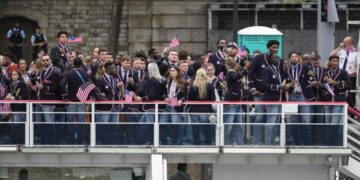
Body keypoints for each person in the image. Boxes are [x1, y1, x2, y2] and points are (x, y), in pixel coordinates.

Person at [248, 40, 280, 145]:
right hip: (259, 93)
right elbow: (250, 73)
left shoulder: (278, 60)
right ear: (268, 47)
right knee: (260, 116)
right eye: (273, 47)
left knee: (272, 118)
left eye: (276, 48)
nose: (275, 49)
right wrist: (252, 89)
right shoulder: (259, 58)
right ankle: (257, 141)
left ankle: (270, 141)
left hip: (272, 94)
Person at [60, 57, 95, 144]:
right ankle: (80, 140)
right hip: (82, 101)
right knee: (81, 122)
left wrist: (65, 96)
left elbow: (62, 84)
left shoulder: (69, 73)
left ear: (73, 64)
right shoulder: (86, 74)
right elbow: (91, 87)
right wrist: (87, 97)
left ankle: (71, 140)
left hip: (71, 101)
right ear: (81, 63)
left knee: (70, 121)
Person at [285, 51, 315, 146]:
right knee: (294, 120)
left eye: (295, 56)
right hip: (292, 96)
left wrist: (312, 76)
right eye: (292, 57)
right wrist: (289, 85)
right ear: (290, 58)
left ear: (298, 58)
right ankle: (296, 142)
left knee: (305, 120)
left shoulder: (305, 67)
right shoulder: (287, 69)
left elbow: (311, 78)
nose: (294, 58)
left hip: (303, 96)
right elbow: (285, 83)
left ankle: (307, 143)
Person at [134, 63, 166, 145]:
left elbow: (152, 95)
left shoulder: (151, 79)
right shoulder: (162, 79)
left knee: (150, 125)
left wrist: (142, 98)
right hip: (159, 106)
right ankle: (141, 140)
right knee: (142, 123)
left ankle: (153, 141)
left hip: (151, 106)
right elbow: (163, 94)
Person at [34, 55, 62, 144]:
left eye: (47, 60)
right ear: (41, 61)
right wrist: (33, 86)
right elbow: (37, 84)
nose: (45, 61)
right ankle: (43, 139)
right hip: (39, 100)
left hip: (49, 100)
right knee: (40, 121)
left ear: (50, 61)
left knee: (49, 121)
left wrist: (43, 87)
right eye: (43, 60)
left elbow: (56, 88)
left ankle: (52, 141)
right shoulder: (40, 71)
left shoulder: (54, 72)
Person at [323, 55, 350, 146]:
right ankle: (329, 143)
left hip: (338, 100)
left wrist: (336, 83)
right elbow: (323, 86)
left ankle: (334, 144)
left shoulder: (343, 72)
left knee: (334, 123)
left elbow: (348, 86)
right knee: (328, 123)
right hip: (328, 101)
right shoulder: (325, 72)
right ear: (330, 62)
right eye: (333, 61)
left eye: (337, 61)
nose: (335, 63)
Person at [187, 69, 216, 145]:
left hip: (194, 110)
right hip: (206, 110)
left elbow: (189, 99)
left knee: (195, 129)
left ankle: (197, 145)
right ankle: (208, 144)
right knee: (206, 129)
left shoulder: (192, 86)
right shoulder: (210, 85)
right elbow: (213, 99)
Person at [159, 66, 186, 145]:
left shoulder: (182, 82)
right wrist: (165, 97)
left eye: (174, 70)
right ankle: (167, 139)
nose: (172, 72)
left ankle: (177, 140)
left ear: (177, 72)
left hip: (175, 104)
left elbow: (185, 94)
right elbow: (163, 92)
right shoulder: (167, 81)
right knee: (162, 123)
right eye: (171, 70)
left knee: (175, 124)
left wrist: (181, 100)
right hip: (167, 105)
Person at [95, 61, 120, 145]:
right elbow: (96, 92)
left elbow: (115, 92)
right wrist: (99, 95)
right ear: (108, 69)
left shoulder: (114, 79)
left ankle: (113, 143)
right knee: (103, 126)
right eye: (114, 68)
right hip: (104, 107)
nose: (115, 69)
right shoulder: (100, 79)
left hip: (115, 106)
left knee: (115, 126)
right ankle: (102, 143)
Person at [262, 53, 284, 145]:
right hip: (271, 99)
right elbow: (264, 84)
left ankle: (273, 142)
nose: (277, 59)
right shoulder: (267, 69)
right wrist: (278, 87)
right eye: (275, 58)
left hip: (278, 99)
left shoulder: (278, 70)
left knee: (276, 122)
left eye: (278, 57)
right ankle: (268, 143)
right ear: (270, 59)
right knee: (271, 121)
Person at [330, 36, 359, 108]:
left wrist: (357, 73)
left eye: (345, 42)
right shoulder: (341, 51)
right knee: (340, 92)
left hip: (350, 76)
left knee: (350, 94)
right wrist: (339, 47)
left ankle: (352, 111)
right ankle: (342, 107)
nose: (343, 43)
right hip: (340, 75)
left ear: (350, 43)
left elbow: (358, 64)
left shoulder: (356, 52)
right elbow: (331, 55)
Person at [223, 57, 245, 145]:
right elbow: (236, 76)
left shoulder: (232, 73)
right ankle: (226, 143)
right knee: (229, 126)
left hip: (237, 103)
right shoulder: (230, 73)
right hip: (231, 103)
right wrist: (245, 70)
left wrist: (244, 71)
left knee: (238, 125)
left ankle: (239, 143)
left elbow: (238, 76)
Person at [6, 69, 29, 144]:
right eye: (12, 75)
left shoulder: (22, 83)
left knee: (18, 127)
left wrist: (13, 98)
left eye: (16, 74)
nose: (14, 76)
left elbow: (25, 95)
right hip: (12, 108)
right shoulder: (11, 84)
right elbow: (10, 93)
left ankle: (20, 143)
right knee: (13, 127)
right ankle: (14, 142)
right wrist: (8, 95)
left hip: (20, 109)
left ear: (19, 75)